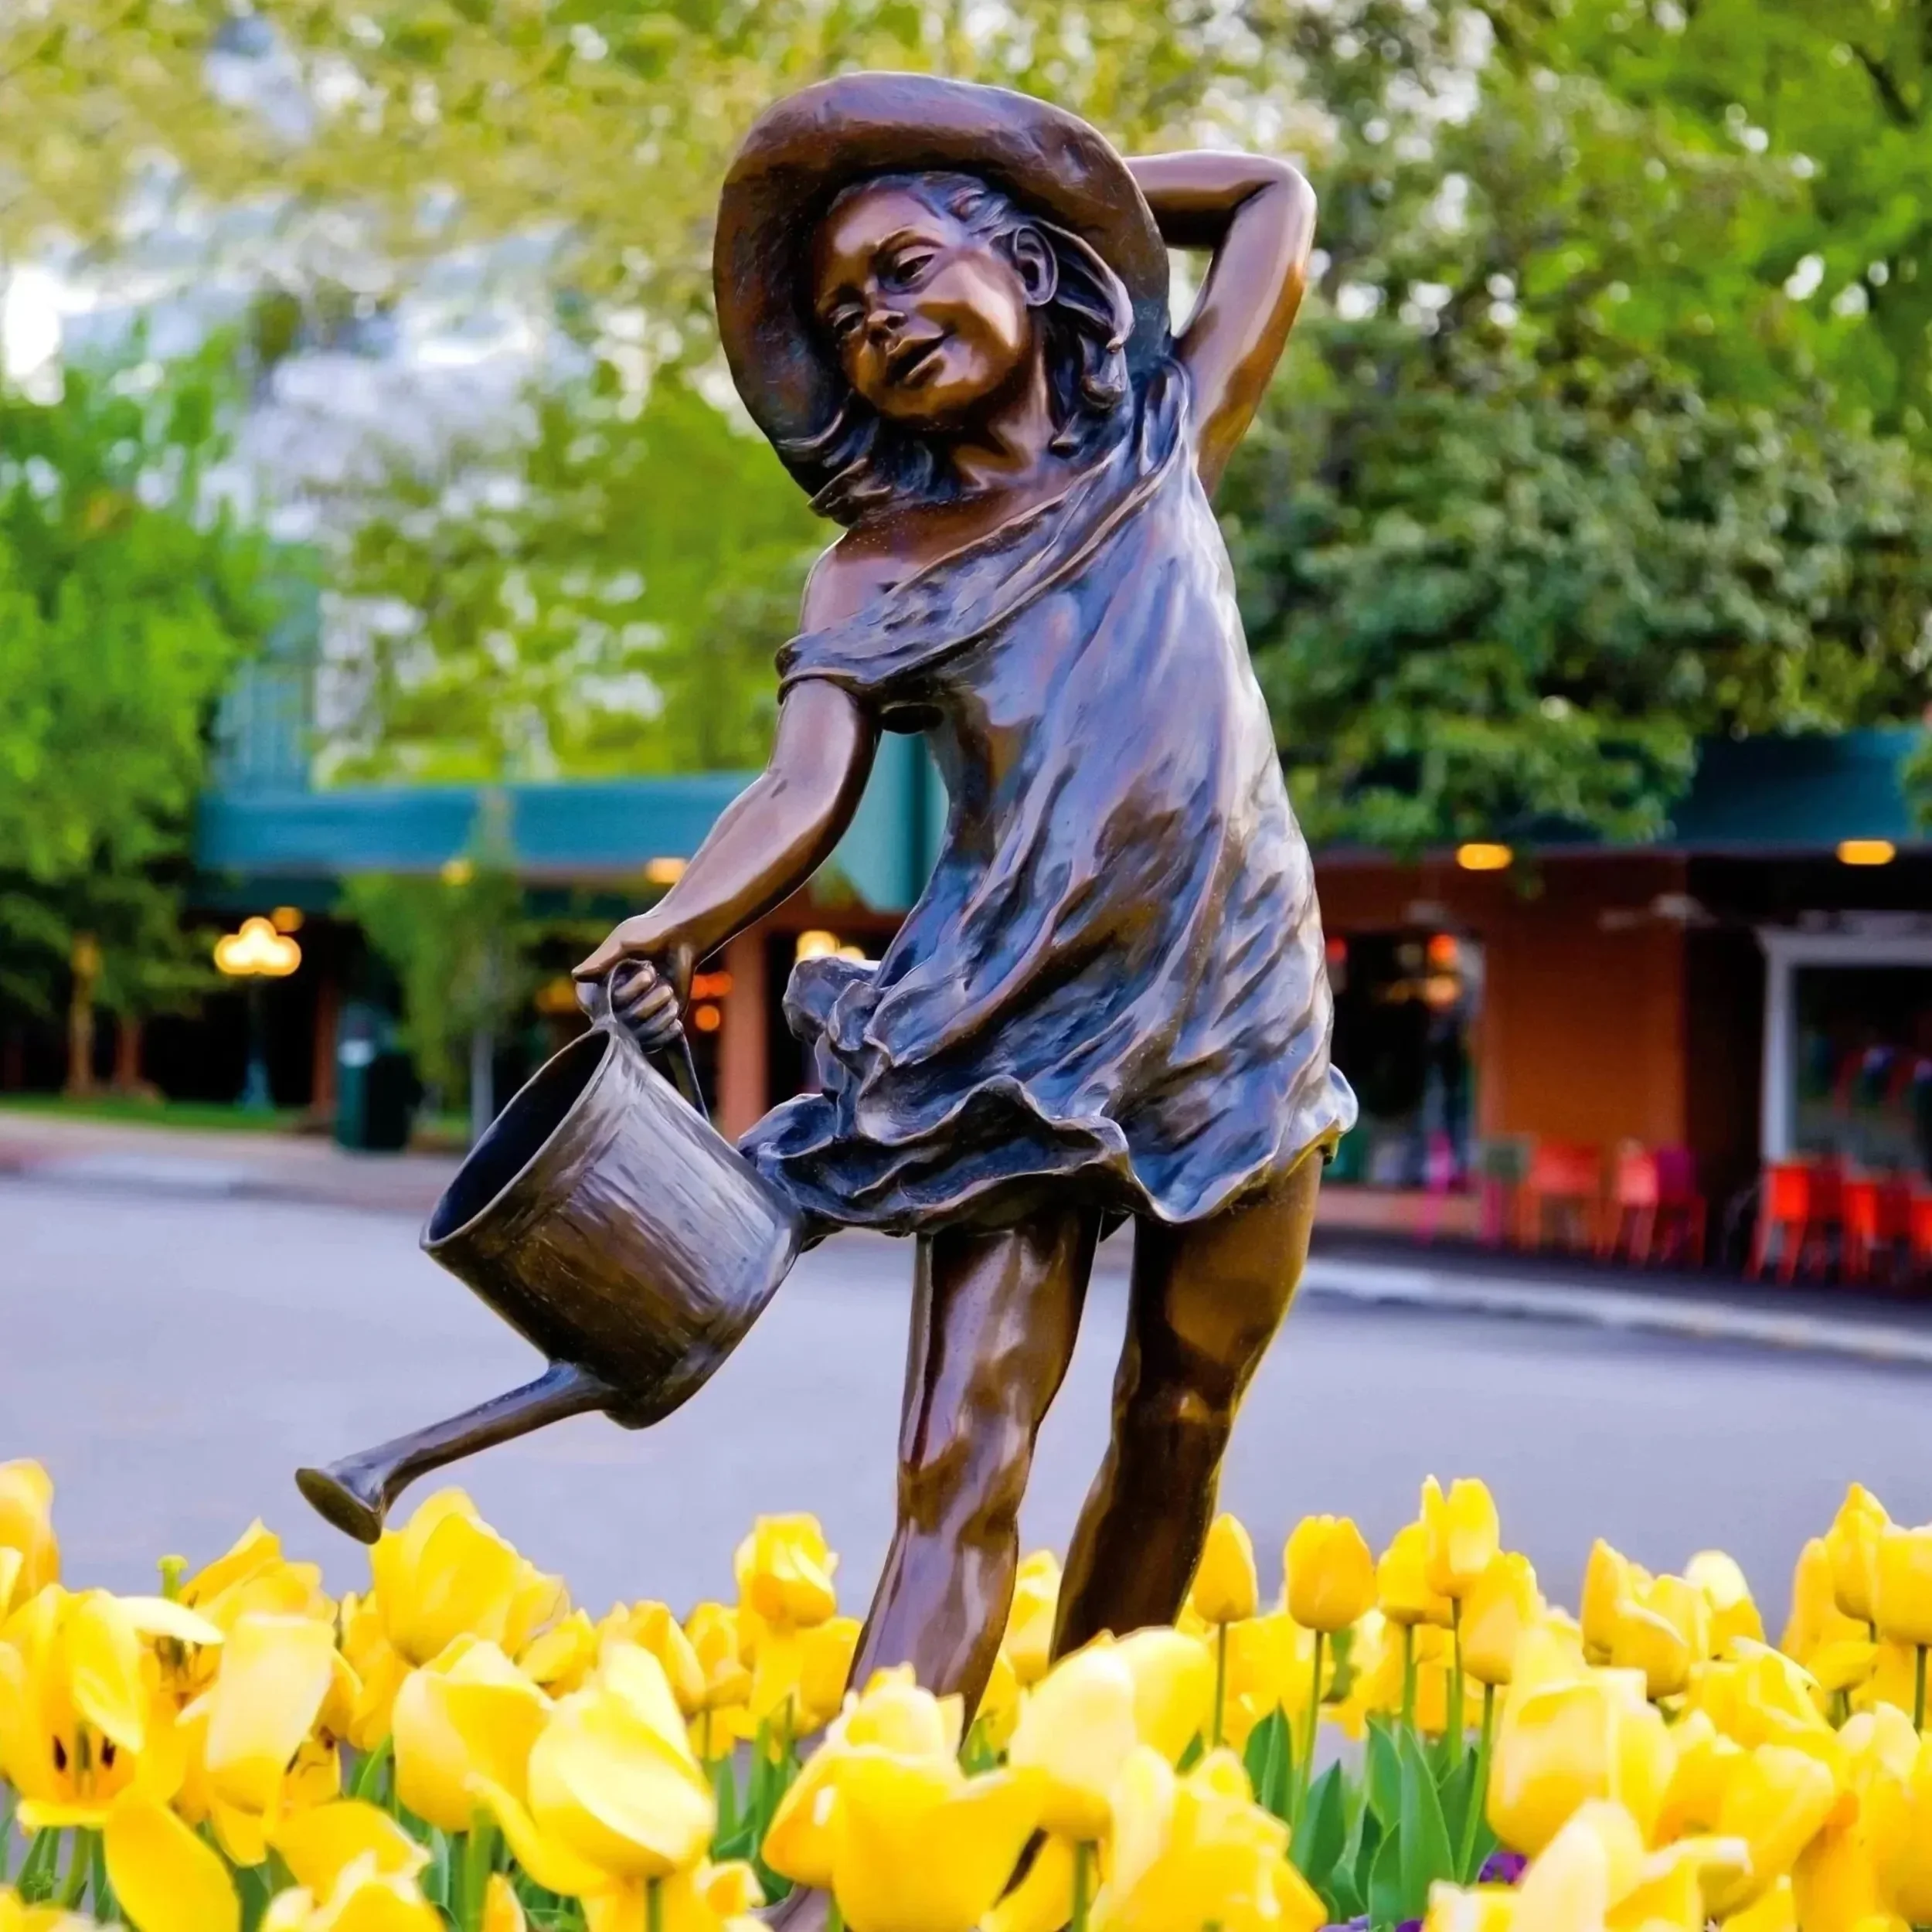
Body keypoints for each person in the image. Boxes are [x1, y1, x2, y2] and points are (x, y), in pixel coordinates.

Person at [576, 74, 1355, 1728]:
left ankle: (1088, 1796)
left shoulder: (1159, 432)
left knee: (1183, 1410)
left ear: (1028, 263)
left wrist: (1068, 189)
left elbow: (1273, 201)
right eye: (845, 312)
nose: (879, 320)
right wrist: (674, 923)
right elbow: (800, 788)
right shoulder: (881, 566)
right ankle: (850, 1870)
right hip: (1009, 1033)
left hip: (1238, 1000)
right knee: (960, 1458)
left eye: (912, 266)